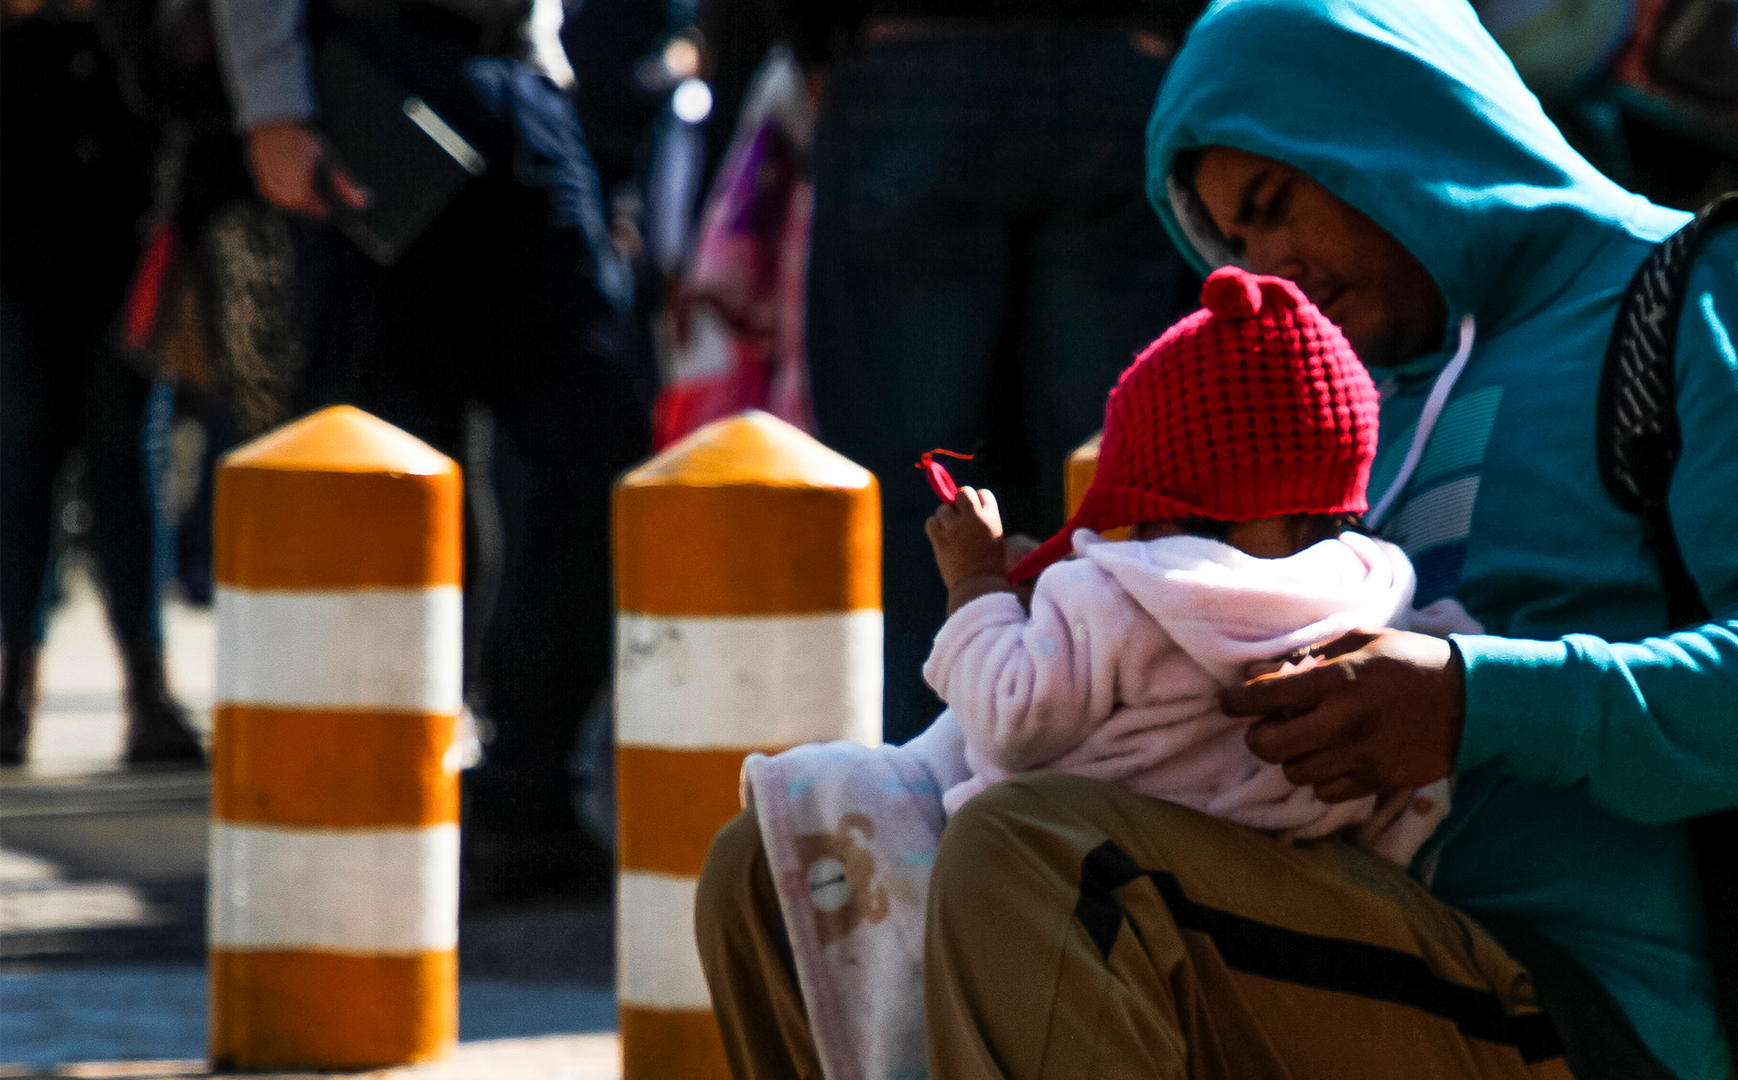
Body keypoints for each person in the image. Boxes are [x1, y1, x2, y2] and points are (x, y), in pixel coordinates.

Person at [694, 0, 1738, 1076]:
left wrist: (1472, 700)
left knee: (1055, 866)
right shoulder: (1346, 392)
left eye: (1275, 210)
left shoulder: (1719, 290)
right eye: (1227, 244)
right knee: (788, 859)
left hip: (1587, 1011)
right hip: (1323, 926)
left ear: (1391, 120)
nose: (1268, 273)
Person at [207, 0, 654, 901]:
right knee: (374, 472)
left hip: (519, 77)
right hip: (371, 67)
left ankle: (524, 795)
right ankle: (366, 818)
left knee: (598, 442)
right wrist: (273, 105)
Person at [757, 0, 1205, 739]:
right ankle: (1122, 791)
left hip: (914, 54)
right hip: (1121, 56)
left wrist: (814, 46)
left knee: (912, 498)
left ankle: (916, 807)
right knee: (1112, 486)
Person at [924, 265, 1449, 860]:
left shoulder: (1117, 598)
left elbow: (1009, 717)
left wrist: (978, 584)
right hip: (1278, 888)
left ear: (1163, 501)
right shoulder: (1381, 589)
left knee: (819, 784)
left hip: (1070, 873)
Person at [1, 5, 203, 767]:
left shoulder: (130, 26)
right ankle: (11, 685)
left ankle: (148, 693)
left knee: (128, 466)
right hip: (16, 251)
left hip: (125, 247)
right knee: (21, 464)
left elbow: (180, 86)